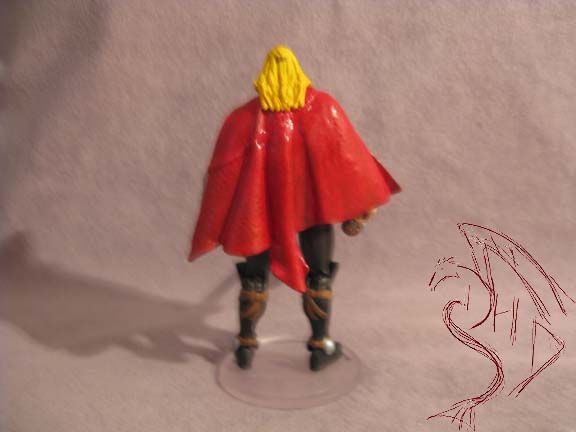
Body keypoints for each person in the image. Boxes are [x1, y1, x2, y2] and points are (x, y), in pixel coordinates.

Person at [188, 45, 400, 370]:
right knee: (319, 274)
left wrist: (221, 216)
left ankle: (245, 344)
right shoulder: (323, 108)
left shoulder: (243, 118)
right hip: (311, 215)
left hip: (259, 217)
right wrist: (361, 204)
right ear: (298, 73)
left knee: (254, 277)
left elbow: (222, 173)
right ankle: (320, 346)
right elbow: (350, 159)